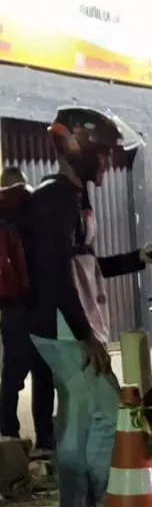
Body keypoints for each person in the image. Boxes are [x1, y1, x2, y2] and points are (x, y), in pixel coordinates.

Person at [24, 107, 152, 507]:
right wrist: (85, 334)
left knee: (77, 425)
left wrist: (139, 258)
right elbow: (53, 274)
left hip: (69, 325)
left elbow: (85, 265)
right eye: (102, 154)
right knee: (109, 414)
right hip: (65, 328)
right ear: (76, 147)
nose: (106, 163)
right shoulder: (54, 200)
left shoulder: (70, 197)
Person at [0, 167, 52, 455]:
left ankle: (8, 434)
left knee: (12, 372)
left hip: (11, 304)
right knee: (43, 370)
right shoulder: (34, 205)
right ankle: (45, 438)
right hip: (39, 299)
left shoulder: (5, 211)